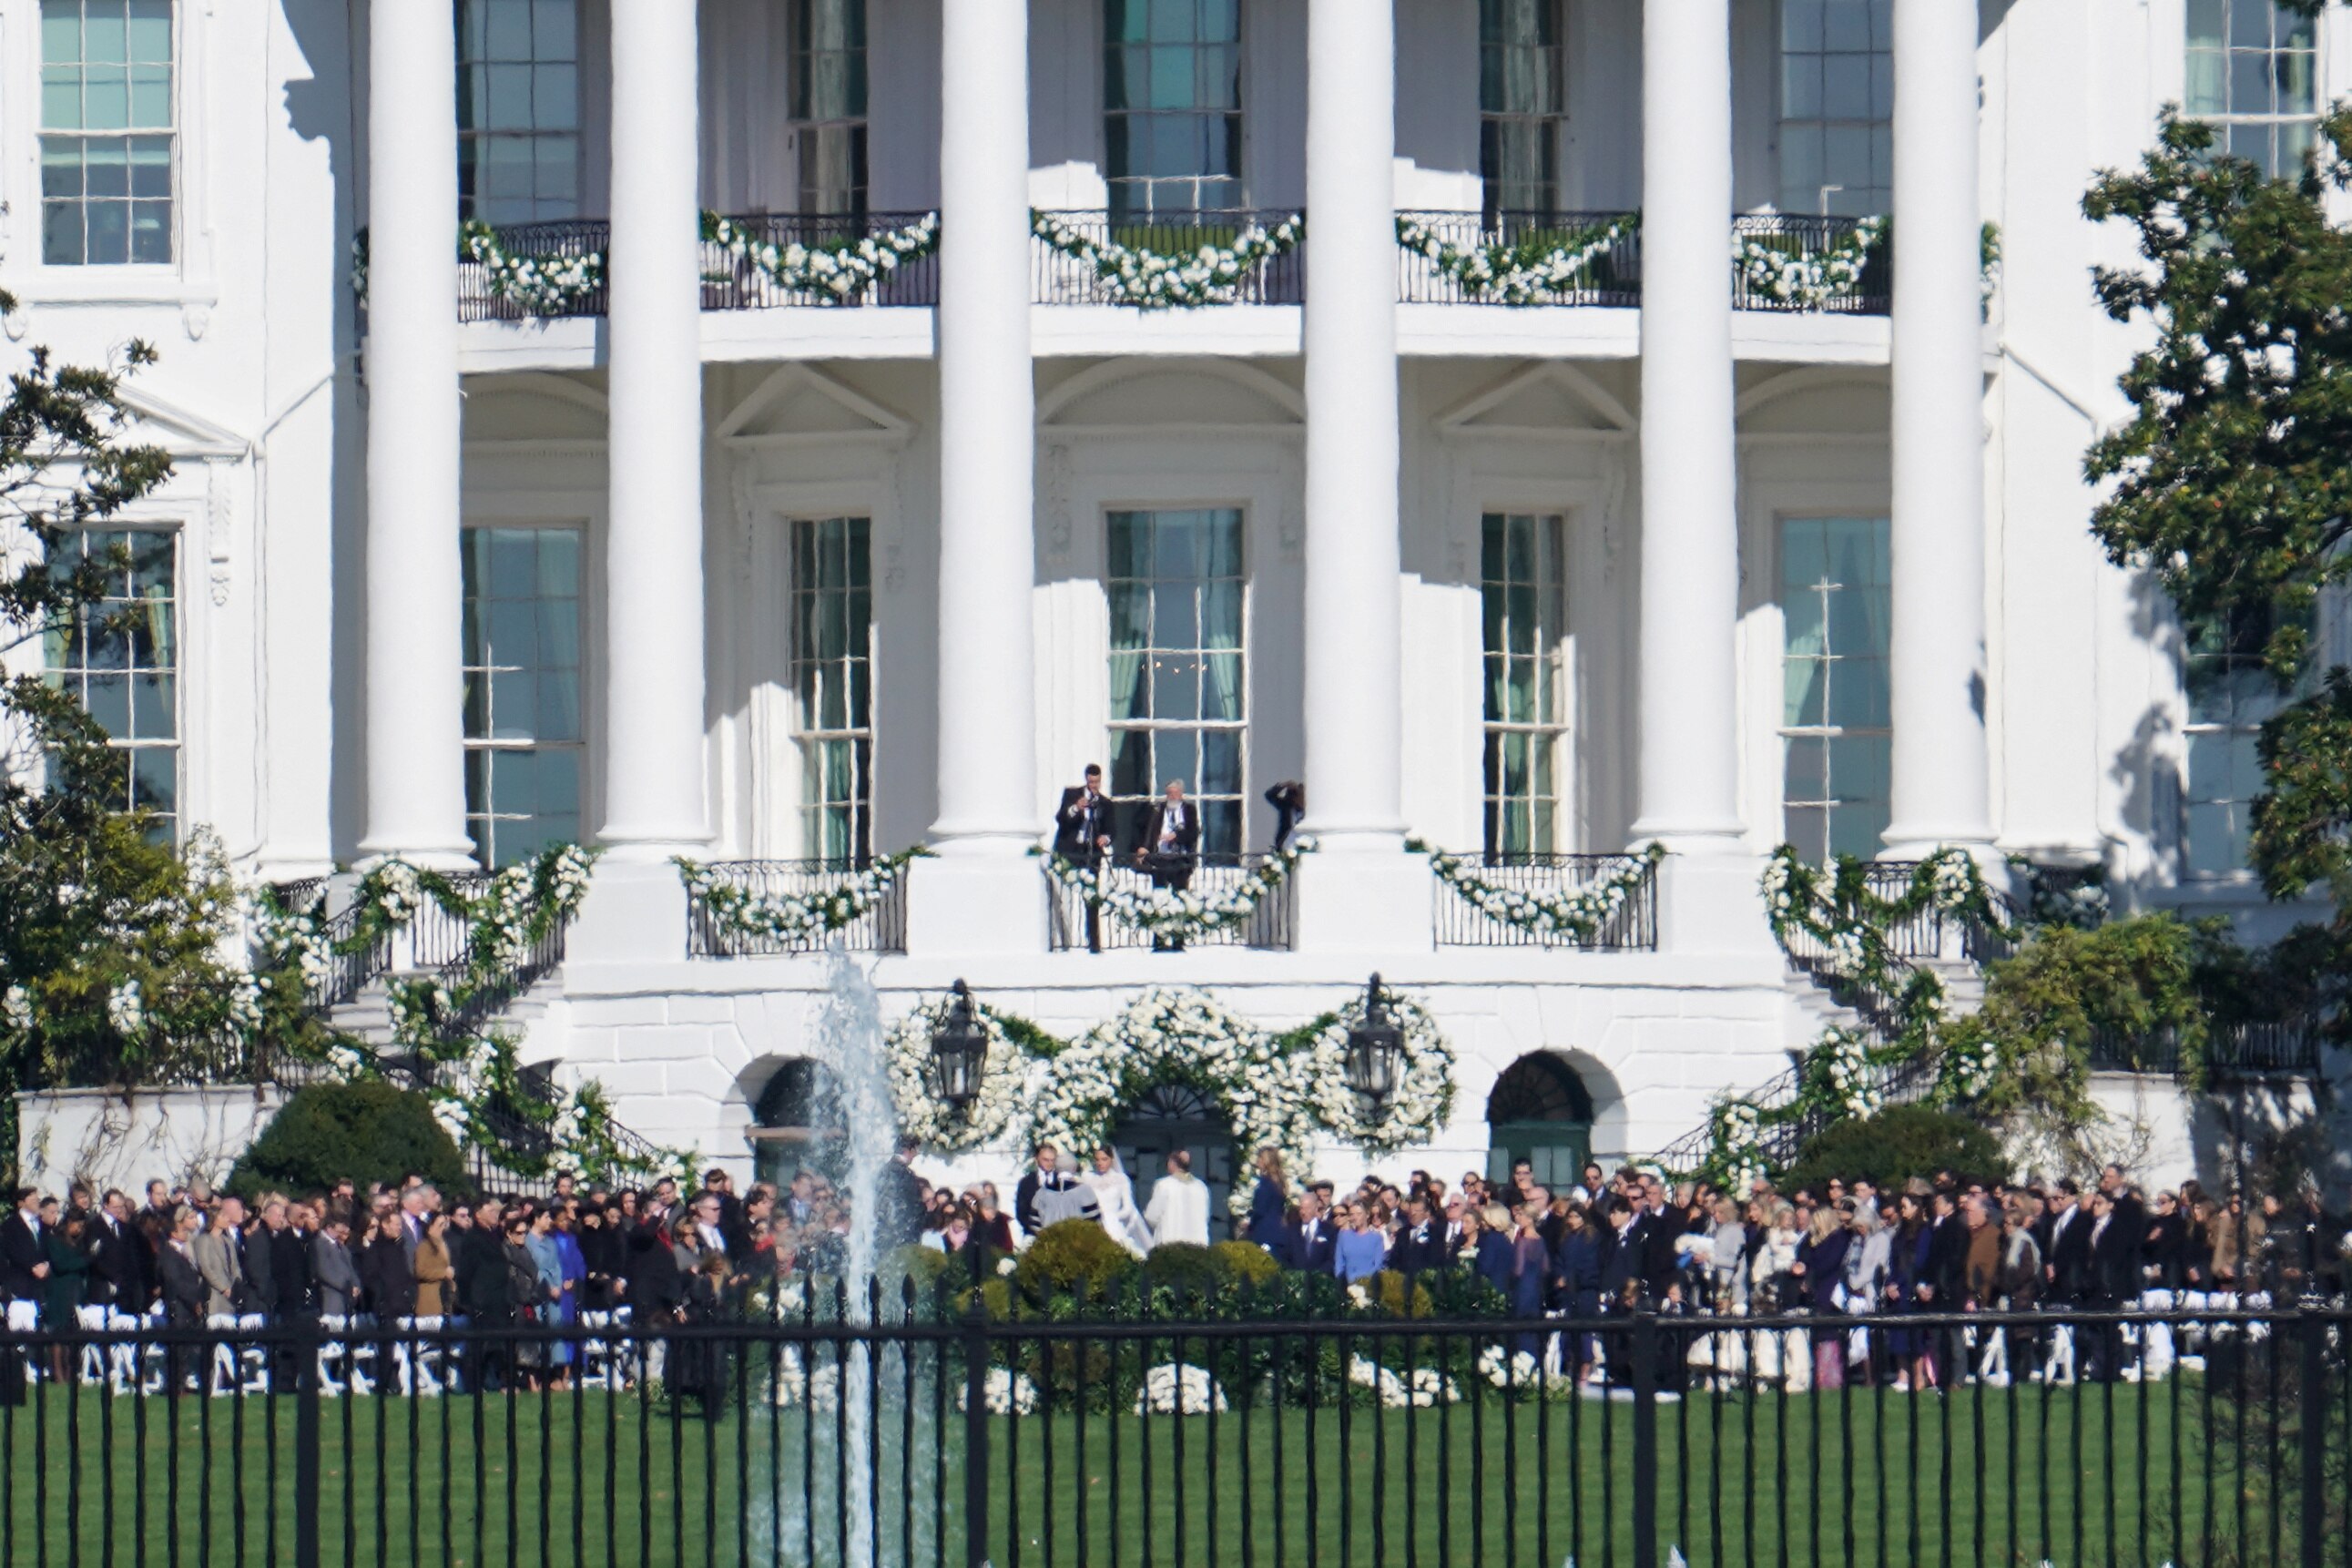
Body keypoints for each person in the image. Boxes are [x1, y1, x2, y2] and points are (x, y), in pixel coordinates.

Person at [1054, 764, 1115, 951]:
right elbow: (1060, 818)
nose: (1093, 785)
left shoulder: (1105, 803)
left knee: (1091, 898)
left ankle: (1094, 943)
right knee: (1063, 896)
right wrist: (1075, 808)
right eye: (1090, 781)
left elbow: (1112, 829)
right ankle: (1061, 941)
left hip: (1090, 854)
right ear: (1086, 779)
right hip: (1071, 851)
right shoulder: (1072, 795)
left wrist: (1105, 838)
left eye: (1096, 782)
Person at [1136, 779, 1201, 951]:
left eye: (1175, 793)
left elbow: (1193, 833)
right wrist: (1144, 847)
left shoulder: (1189, 810)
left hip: (1180, 860)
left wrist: (1176, 836)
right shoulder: (1158, 810)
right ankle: (1159, 939)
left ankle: (1178, 940)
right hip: (1160, 858)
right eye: (1169, 793)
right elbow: (1149, 831)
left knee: (1180, 899)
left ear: (1181, 794)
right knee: (1159, 898)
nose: (1172, 796)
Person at [1083, 1147, 1153, 1257]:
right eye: (1098, 1160)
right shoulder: (1088, 1177)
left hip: (1113, 1224)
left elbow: (1128, 1208)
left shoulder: (1121, 1179)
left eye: (1104, 1159)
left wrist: (1112, 1217)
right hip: (1093, 1223)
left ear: (1111, 1160)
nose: (1100, 1163)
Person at [1144, 1151, 1211, 1247]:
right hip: (1197, 1243)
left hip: (1170, 1241)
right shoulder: (1200, 1187)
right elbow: (1206, 1216)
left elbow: (1152, 1216)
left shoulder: (1164, 1185)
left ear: (1172, 1163)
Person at [1281, 1192, 1338, 1273]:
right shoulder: (1292, 1230)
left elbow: (1332, 1258)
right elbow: (1285, 1257)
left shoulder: (1328, 1230)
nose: (1303, 1212)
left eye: (1307, 1208)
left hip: (1321, 1280)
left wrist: (1318, 1275)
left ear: (1316, 1207)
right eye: (1301, 1208)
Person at [1247, 1148, 1289, 1253]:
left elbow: (1261, 1209)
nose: (1258, 1161)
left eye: (1260, 1158)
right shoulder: (1279, 1182)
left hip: (1265, 1231)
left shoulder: (1266, 1183)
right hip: (1278, 1231)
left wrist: (1250, 1220)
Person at [1333, 1203, 1387, 1283]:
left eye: (1359, 1214)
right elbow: (1339, 1263)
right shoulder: (1343, 1236)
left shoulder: (1376, 1237)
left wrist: (1364, 1281)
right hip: (1346, 1283)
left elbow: (1377, 1264)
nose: (1355, 1217)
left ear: (1367, 1215)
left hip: (1367, 1284)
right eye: (1352, 1214)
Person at [1263, 780, 1306, 853]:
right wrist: (1284, 785)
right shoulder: (1285, 807)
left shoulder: (1312, 812)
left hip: (1304, 846)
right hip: (1286, 846)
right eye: (1297, 795)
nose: (1300, 799)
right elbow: (1269, 795)